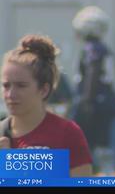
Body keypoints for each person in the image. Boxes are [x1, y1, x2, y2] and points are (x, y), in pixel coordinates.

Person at [0, 34, 92, 177]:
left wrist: (12, 167)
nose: (10, 94)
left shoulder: (67, 133)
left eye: (21, 86)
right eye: (6, 86)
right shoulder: (2, 134)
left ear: (44, 90)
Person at [71, 6, 115, 174]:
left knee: (86, 144)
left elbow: (93, 71)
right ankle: (106, 174)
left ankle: (87, 176)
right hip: (105, 102)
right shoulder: (103, 47)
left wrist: (87, 100)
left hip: (95, 104)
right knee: (104, 144)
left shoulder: (92, 48)